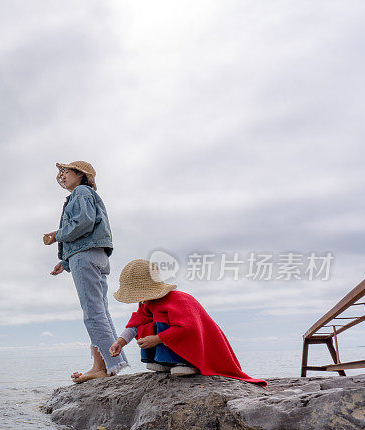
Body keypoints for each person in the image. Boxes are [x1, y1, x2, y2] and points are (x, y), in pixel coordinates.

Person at [108, 259, 267, 386]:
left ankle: (185, 363)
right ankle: (162, 361)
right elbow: (136, 324)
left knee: (163, 322)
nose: (139, 300)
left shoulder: (178, 301)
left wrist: (156, 339)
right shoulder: (146, 303)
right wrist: (120, 342)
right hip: (169, 339)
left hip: (191, 342)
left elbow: (187, 329)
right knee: (146, 323)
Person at [43, 160, 130, 383]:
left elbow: (84, 223)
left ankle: (104, 366)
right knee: (101, 311)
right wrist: (65, 263)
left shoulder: (81, 192)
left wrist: (57, 235)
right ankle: (108, 365)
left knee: (92, 312)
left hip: (86, 257)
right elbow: (89, 232)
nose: (63, 177)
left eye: (67, 173)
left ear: (80, 175)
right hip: (96, 256)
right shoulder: (87, 194)